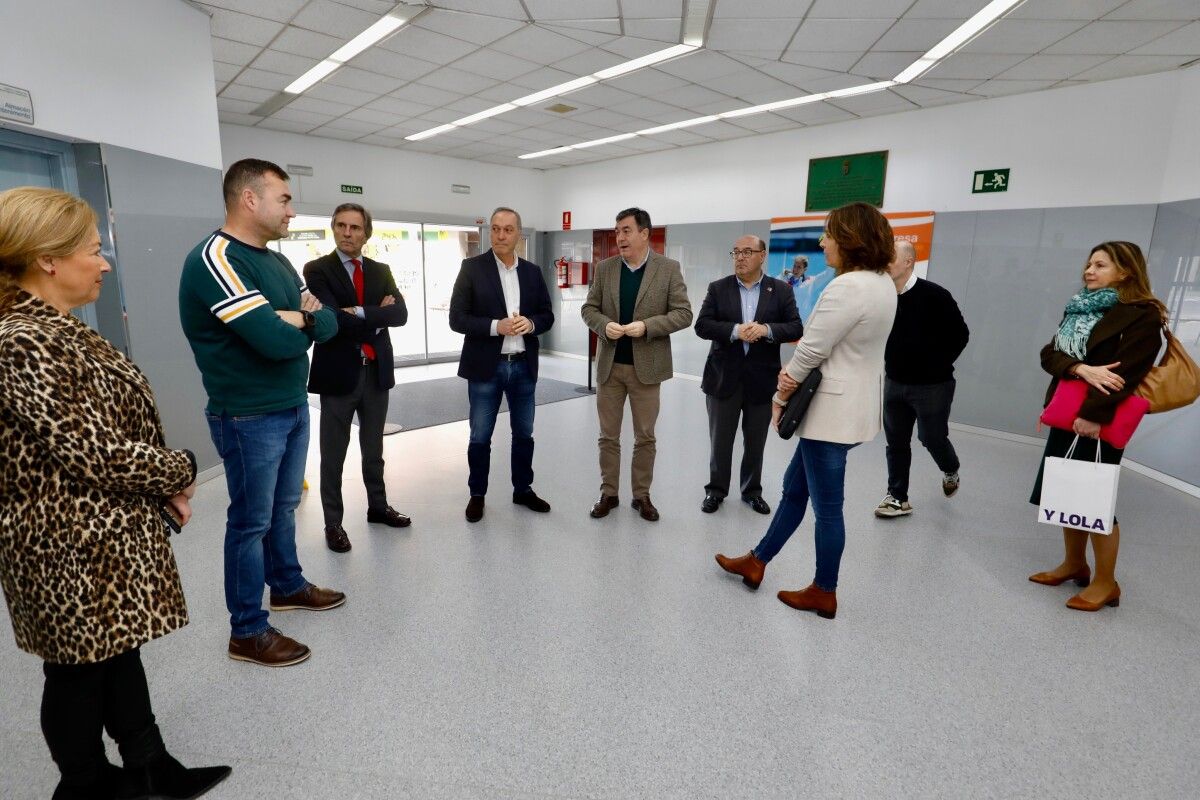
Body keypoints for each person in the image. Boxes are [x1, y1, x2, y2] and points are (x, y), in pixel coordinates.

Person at [0, 187, 230, 799]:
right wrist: (179, 469)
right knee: (76, 671)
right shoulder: (23, 340)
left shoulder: (64, 331)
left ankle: (149, 767)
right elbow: (92, 451)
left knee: (116, 652)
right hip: (64, 543)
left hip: (97, 534)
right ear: (47, 258)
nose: (105, 263)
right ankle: (84, 786)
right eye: (94, 250)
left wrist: (158, 492)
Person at [179, 159, 346, 667]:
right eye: (285, 199)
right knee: (249, 522)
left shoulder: (275, 261)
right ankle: (247, 631)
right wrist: (300, 324)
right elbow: (274, 343)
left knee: (282, 510)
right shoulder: (215, 259)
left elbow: (329, 323)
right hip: (248, 415)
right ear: (250, 199)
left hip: (293, 405)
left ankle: (288, 585)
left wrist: (297, 318)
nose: (292, 211)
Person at [714, 202, 898, 620]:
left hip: (830, 415)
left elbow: (812, 350)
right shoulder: (883, 283)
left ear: (850, 239)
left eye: (829, 234)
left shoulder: (848, 287)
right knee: (795, 490)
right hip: (853, 409)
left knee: (827, 509)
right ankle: (757, 560)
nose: (822, 242)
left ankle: (824, 590)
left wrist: (780, 397)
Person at [1028, 241, 1165, 612]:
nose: (1089, 271)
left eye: (1100, 265)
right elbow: (1049, 353)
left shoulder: (1143, 315)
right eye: (1089, 264)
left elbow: (1130, 373)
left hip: (1097, 419)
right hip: (1066, 412)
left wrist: (1093, 415)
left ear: (1125, 271)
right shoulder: (1080, 309)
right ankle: (1074, 563)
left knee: (1094, 497)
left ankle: (1107, 582)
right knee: (1065, 490)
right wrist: (1079, 367)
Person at [304, 203, 410, 553]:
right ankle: (333, 524)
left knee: (374, 450)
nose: (348, 233)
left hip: (376, 373)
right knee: (332, 455)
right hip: (338, 375)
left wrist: (361, 312)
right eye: (341, 226)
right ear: (333, 229)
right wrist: (378, 317)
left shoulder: (381, 269)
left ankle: (378, 507)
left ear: (367, 233)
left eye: (355, 227)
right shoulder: (317, 269)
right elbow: (332, 319)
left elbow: (402, 314)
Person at [581, 207, 693, 522]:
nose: (620, 237)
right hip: (610, 367)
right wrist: (604, 325)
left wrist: (647, 327)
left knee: (645, 436)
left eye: (626, 231)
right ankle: (609, 493)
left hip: (647, 369)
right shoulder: (605, 269)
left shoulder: (668, 269)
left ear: (645, 234)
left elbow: (683, 313)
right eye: (617, 231)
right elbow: (589, 308)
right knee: (608, 436)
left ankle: (641, 496)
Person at [448, 207, 554, 523]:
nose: (501, 235)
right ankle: (477, 494)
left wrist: (531, 324)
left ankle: (523, 490)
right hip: (485, 368)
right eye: (495, 229)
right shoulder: (471, 268)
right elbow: (457, 318)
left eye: (508, 230)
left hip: (523, 366)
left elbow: (547, 315)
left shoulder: (532, 272)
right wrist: (497, 326)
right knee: (480, 435)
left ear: (518, 234)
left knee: (524, 433)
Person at [695, 235, 803, 515]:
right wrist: (735, 331)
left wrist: (766, 330)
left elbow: (795, 328)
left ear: (762, 255)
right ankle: (716, 491)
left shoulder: (780, 290)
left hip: (762, 379)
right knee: (720, 441)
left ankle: (751, 491)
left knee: (756, 442)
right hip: (723, 378)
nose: (740, 257)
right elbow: (703, 325)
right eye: (736, 252)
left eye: (747, 252)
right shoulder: (718, 289)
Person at [874, 240, 970, 518]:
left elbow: (960, 335)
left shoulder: (935, 295)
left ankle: (950, 469)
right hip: (894, 382)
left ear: (908, 262)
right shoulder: (882, 296)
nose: (885, 260)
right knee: (896, 442)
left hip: (933, 385)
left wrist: (936, 364)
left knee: (931, 437)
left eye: (891, 256)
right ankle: (897, 497)